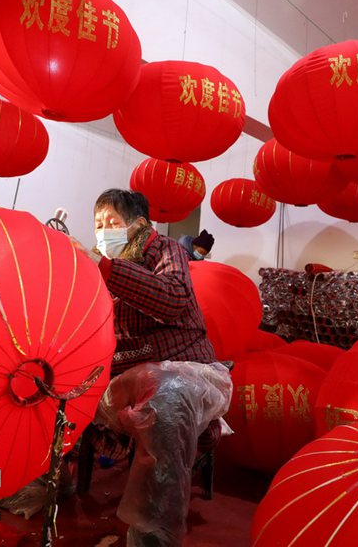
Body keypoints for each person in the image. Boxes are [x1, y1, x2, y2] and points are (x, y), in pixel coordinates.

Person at [72, 189, 231, 547]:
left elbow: (174, 300)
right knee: (57, 388)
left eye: (112, 223)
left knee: (167, 402)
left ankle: (153, 536)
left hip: (186, 372)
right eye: (98, 224)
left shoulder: (163, 250)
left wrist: (105, 269)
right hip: (126, 378)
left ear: (139, 224)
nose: (102, 231)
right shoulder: (99, 265)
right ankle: (41, 487)